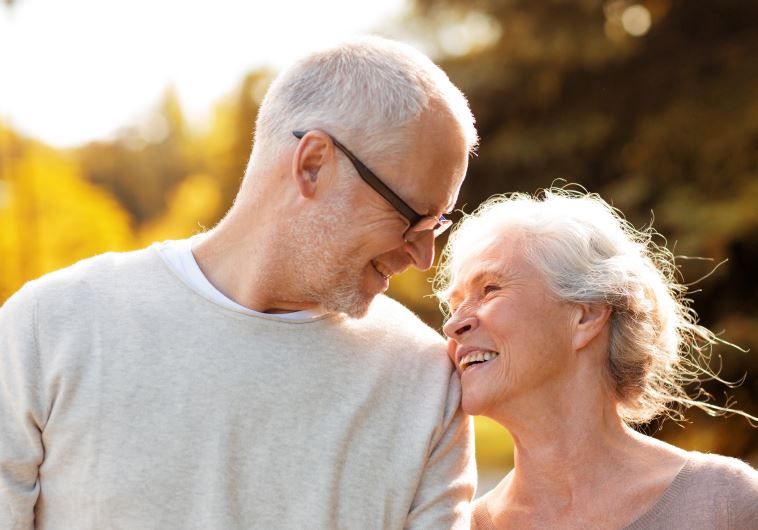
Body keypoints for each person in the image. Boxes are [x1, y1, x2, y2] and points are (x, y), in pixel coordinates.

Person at [0, 37, 479, 529]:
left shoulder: (425, 385)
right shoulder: (48, 328)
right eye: (412, 217)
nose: (424, 257)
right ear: (313, 164)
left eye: (436, 224)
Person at [435, 189, 758, 529]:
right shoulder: (463, 526)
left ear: (586, 316)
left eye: (489, 290)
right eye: (455, 305)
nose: (453, 324)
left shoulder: (724, 503)